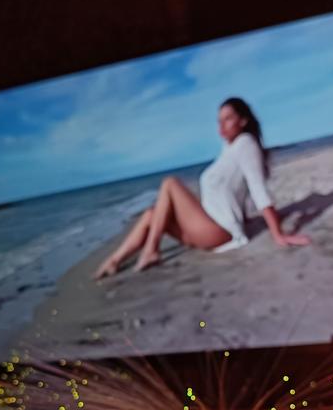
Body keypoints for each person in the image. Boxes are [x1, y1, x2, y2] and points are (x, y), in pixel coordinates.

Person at [94, 97, 310, 278]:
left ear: (243, 121)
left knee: (170, 183)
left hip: (220, 231)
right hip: (208, 228)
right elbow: (236, 188)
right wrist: (245, 217)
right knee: (152, 213)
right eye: (219, 121)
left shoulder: (246, 144)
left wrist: (278, 234)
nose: (221, 126)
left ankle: (151, 250)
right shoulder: (230, 147)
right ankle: (114, 261)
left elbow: (257, 188)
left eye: (228, 119)